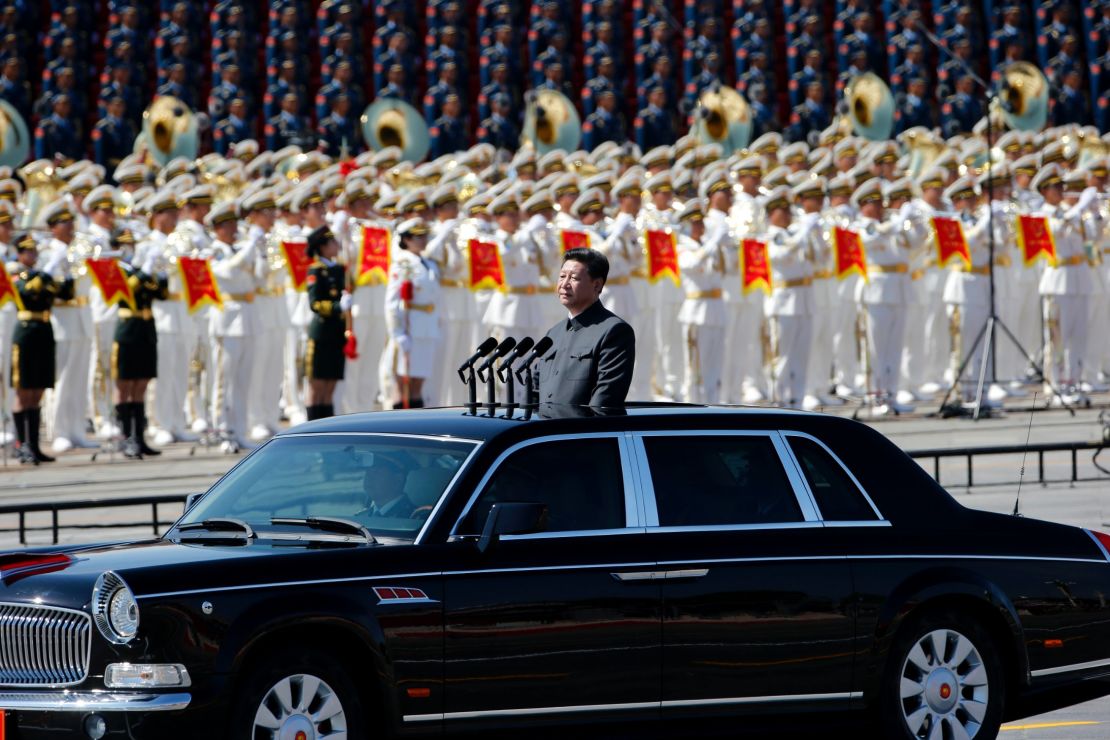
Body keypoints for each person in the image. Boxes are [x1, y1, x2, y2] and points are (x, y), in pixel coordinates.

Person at [534, 247, 635, 407]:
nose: (564, 284)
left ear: (597, 285)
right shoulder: (553, 333)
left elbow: (606, 397)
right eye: (561, 276)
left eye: (574, 278)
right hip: (546, 431)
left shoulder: (614, 331)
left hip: (582, 430)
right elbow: (536, 390)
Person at [11, 232, 68, 464]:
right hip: (25, 332)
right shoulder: (15, 272)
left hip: (44, 331)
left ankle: (33, 444)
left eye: (34, 251)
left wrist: (63, 271)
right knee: (24, 391)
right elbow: (24, 291)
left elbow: (64, 293)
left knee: (38, 390)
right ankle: (21, 444)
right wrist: (46, 271)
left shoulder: (43, 275)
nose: (32, 255)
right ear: (19, 253)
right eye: (28, 251)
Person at [112, 230, 167, 458]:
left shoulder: (141, 270)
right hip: (127, 328)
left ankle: (139, 436)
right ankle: (126, 438)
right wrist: (144, 269)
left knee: (141, 385)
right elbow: (128, 289)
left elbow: (161, 294)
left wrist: (160, 273)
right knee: (124, 385)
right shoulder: (115, 270)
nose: (129, 250)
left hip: (146, 329)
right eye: (124, 246)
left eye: (131, 245)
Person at [384, 218, 440, 409]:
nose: (423, 240)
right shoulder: (402, 264)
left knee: (419, 381)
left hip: (428, 327)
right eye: (418, 237)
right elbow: (392, 302)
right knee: (404, 383)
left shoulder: (429, 264)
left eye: (424, 236)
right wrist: (397, 333)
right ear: (406, 240)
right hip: (410, 327)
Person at [304, 225, 350, 420]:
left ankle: (326, 424)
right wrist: (337, 307)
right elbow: (314, 303)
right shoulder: (316, 270)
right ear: (322, 247)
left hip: (337, 333)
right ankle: (312, 427)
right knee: (317, 386)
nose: (336, 245)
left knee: (331, 384)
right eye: (332, 242)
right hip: (322, 333)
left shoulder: (340, 268)